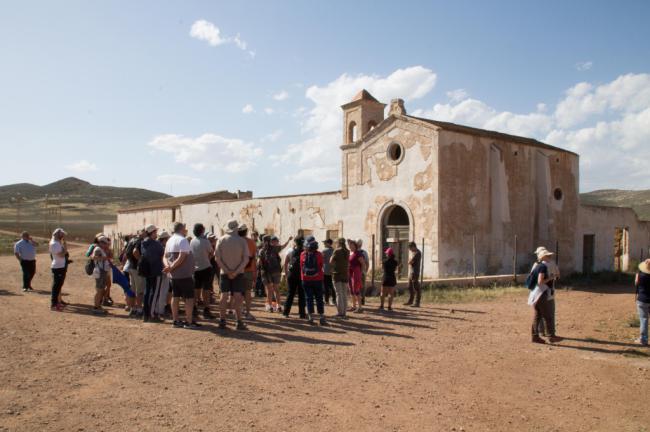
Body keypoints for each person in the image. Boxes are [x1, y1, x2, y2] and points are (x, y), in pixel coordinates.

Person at [214, 219, 250, 330]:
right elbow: (246, 259)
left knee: (223, 296)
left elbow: (217, 258)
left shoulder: (221, 240)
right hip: (238, 273)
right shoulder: (242, 241)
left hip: (225, 273)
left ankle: (222, 320)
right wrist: (236, 271)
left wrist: (227, 270)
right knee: (238, 297)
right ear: (236, 228)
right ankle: (239, 321)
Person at [164, 222, 199, 329]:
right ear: (181, 229)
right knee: (189, 298)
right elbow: (182, 256)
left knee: (175, 296)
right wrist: (172, 267)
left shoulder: (170, 240)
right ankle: (188, 321)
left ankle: (175, 320)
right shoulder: (182, 240)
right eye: (185, 228)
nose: (186, 230)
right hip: (184, 274)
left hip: (174, 275)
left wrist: (168, 267)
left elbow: (164, 256)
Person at [528, 248, 563, 344]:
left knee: (538, 316)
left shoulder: (537, 266)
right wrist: (551, 277)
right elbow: (540, 282)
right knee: (548, 316)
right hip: (542, 294)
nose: (550, 257)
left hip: (535, 294)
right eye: (548, 255)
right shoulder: (543, 267)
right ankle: (551, 336)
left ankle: (535, 337)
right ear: (544, 257)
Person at [260, 235, 292, 312]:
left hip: (267, 272)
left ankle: (270, 306)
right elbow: (283, 246)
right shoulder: (275, 248)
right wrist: (288, 240)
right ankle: (279, 306)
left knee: (269, 290)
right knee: (276, 289)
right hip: (276, 271)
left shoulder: (261, 251)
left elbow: (259, 262)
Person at [140, 225, 165, 322]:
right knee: (154, 293)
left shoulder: (143, 243)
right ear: (153, 232)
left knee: (147, 292)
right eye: (155, 232)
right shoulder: (156, 244)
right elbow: (162, 255)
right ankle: (151, 315)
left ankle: (146, 314)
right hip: (155, 270)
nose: (156, 234)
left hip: (147, 270)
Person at [534, 246, 560, 336]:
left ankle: (540, 332)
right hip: (548, 291)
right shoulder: (552, 264)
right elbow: (558, 276)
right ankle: (551, 334)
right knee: (549, 313)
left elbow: (534, 279)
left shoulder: (537, 265)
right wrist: (551, 277)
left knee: (539, 314)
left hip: (537, 292)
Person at [190, 223, 215, 320]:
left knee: (196, 289)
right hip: (205, 267)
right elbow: (212, 253)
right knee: (206, 290)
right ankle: (206, 309)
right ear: (202, 230)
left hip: (195, 268)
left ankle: (195, 308)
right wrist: (207, 258)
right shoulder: (205, 242)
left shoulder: (192, 241)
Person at [301, 236, 327, 325]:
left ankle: (310, 317)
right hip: (318, 279)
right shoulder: (319, 254)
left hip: (305, 279)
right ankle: (321, 317)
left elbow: (301, 266)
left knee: (309, 298)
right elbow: (321, 266)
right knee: (319, 298)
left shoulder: (302, 254)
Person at [283, 236, 307, 319]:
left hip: (291, 275)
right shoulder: (305, 252)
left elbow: (285, 263)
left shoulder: (290, 251)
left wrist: (286, 274)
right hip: (301, 275)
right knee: (302, 295)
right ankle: (302, 313)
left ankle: (286, 312)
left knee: (290, 294)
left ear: (295, 242)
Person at [125, 230, 146, 316]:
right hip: (137, 268)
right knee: (140, 290)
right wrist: (140, 260)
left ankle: (132, 308)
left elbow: (126, 252)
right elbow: (135, 252)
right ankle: (139, 309)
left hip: (130, 267)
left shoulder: (131, 240)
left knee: (132, 289)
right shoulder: (140, 241)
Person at [238, 224, 257, 320]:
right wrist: (255, 272)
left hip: (237, 269)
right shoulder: (251, 242)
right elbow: (254, 257)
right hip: (248, 270)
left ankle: (239, 312)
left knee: (239, 293)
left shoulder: (235, 241)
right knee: (248, 292)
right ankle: (248, 313)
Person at [152, 230, 171, 318]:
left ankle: (158, 309)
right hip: (163, 272)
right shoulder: (162, 248)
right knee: (162, 291)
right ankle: (159, 310)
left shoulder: (157, 246)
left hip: (159, 271)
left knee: (159, 291)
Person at [91, 236, 111, 315]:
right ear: (101, 243)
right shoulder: (98, 249)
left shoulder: (100, 249)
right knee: (99, 290)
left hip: (102, 271)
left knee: (101, 289)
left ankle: (98, 306)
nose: (106, 245)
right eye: (105, 243)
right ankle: (96, 307)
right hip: (100, 271)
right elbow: (94, 258)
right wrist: (104, 258)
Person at [49, 228, 67, 311]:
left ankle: (56, 303)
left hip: (60, 266)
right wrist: (65, 250)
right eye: (62, 234)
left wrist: (64, 247)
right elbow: (62, 255)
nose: (63, 236)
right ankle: (54, 304)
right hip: (57, 267)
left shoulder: (57, 243)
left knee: (58, 286)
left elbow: (63, 253)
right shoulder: (54, 244)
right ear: (57, 234)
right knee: (56, 286)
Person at [330, 238, 350, 318]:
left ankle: (340, 313)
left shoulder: (337, 251)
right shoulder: (347, 251)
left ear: (338, 243)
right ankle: (344, 312)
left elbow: (331, 261)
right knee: (344, 294)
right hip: (345, 274)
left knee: (339, 294)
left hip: (337, 274)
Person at [634, 260, 650, 346]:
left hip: (642, 300)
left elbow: (636, 283)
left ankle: (643, 340)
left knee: (643, 319)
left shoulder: (641, 275)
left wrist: (637, 276)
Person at [348, 239, 366, 313]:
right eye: (349, 246)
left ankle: (360, 307)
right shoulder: (351, 253)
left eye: (352, 245)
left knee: (356, 290)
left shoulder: (358, 253)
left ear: (355, 246)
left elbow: (363, 264)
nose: (350, 247)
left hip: (356, 273)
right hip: (350, 273)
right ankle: (354, 306)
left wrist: (361, 273)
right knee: (351, 290)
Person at [404, 242, 422, 307]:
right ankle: (410, 301)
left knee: (416, 287)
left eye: (410, 248)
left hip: (415, 272)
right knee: (410, 286)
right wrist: (410, 261)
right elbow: (410, 262)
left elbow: (410, 261)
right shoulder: (414, 253)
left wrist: (410, 261)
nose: (410, 250)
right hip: (411, 272)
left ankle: (417, 302)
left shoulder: (417, 253)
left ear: (413, 246)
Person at [322, 238, 336, 306]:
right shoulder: (334, 250)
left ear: (328, 243)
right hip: (332, 271)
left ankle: (326, 300)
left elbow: (321, 260)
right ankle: (334, 300)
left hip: (325, 270)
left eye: (325, 243)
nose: (324, 244)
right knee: (332, 286)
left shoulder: (324, 251)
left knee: (326, 286)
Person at [357, 239, 369, 304]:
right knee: (362, 286)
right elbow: (367, 263)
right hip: (362, 272)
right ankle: (362, 299)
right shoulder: (364, 252)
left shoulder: (353, 252)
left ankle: (358, 299)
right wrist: (365, 271)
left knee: (356, 286)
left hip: (356, 272)